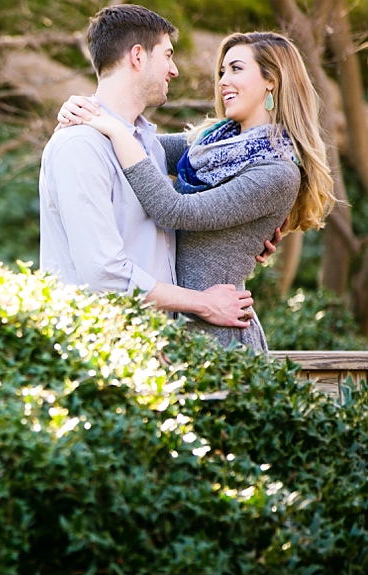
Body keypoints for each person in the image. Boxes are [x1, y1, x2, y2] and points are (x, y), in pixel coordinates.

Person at [57, 30, 334, 350]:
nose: (223, 81)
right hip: (177, 326)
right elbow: (143, 150)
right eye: (221, 72)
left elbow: (174, 210)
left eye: (236, 69)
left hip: (220, 335)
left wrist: (114, 128)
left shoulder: (277, 172)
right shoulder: (206, 145)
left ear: (271, 80)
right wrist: (82, 115)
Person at [40, 5, 260, 334]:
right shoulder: (80, 146)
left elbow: (220, 158)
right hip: (100, 353)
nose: (174, 70)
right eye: (167, 55)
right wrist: (203, 302)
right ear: (138, 57)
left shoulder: (148, 145)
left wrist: (247, 237)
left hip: (155, 350)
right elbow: (104, 274)